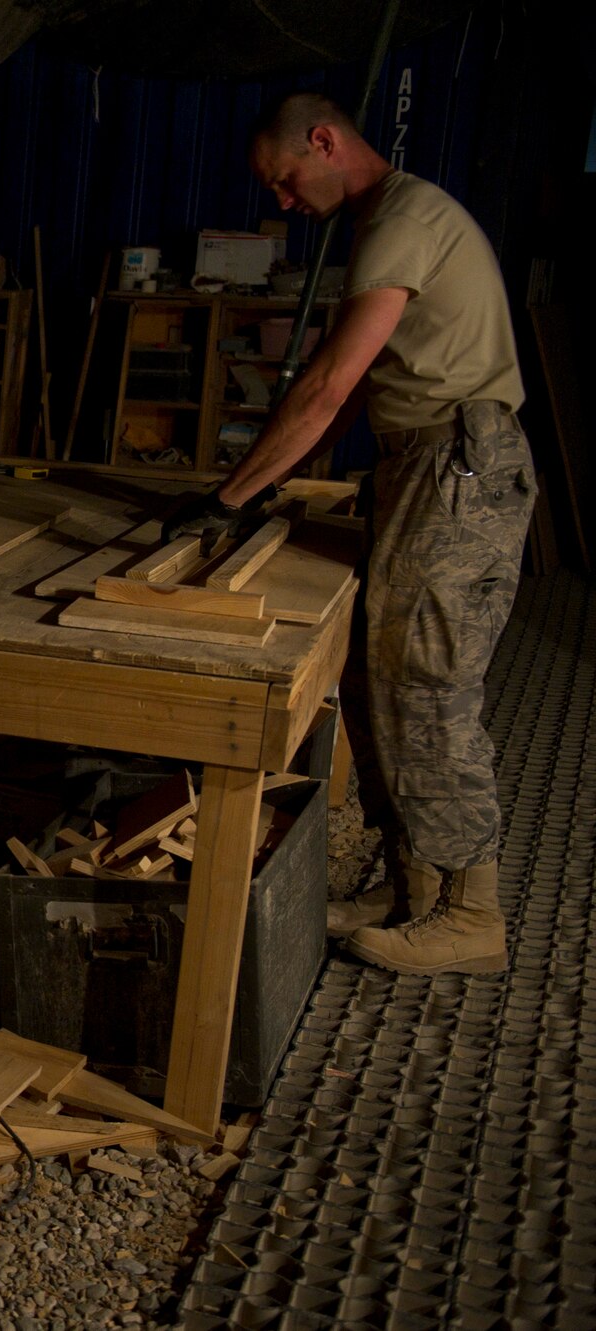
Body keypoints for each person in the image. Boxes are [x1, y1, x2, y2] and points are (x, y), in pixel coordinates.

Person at [162, 90, 534, 976]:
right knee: (377, 676)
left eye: (287, 179)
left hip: (459, 468)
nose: (285, 203)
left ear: (324, 141)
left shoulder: (406, 218)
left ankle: (471, 910)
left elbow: (329, 383)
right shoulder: (386, 225)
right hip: (424, 463)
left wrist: (228, 497)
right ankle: (414, 888)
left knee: (430, 681)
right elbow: (353, 393)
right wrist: (260, 487)